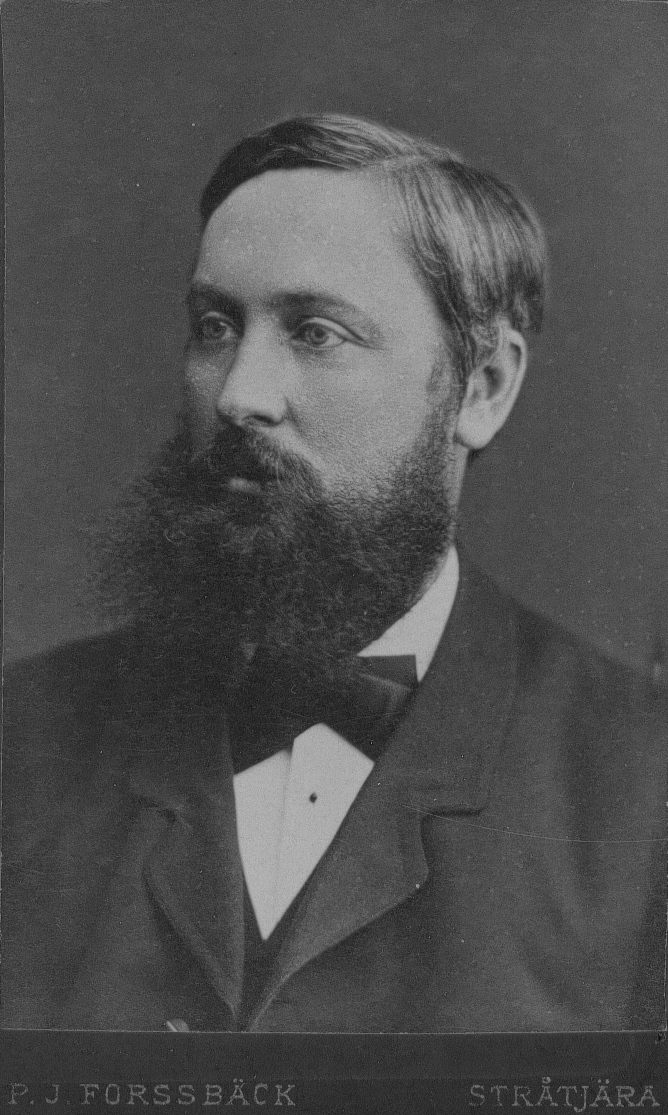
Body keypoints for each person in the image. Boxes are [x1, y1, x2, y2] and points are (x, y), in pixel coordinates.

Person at [2, 114, 665, 1033]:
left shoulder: (643, 780)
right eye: (215, 327)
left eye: (317, 333)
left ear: (482, 387)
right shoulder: (21, 738)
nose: (240, 394)